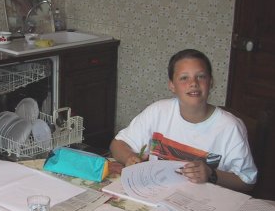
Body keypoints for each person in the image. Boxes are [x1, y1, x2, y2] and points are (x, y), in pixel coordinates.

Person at [110, 49, 256, 192]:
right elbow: (117, 144)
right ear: (172, 85)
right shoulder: (158, 111)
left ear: (210, 82)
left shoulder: (230, 127)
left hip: (203, 204)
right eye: (184, 78)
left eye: (201, 76)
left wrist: (212, 174)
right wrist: (129, 157)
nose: (193, 83)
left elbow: (247, 182)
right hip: (156, 195)